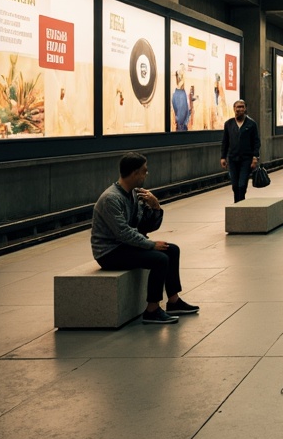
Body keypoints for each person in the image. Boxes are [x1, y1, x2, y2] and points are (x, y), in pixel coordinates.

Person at [91, 152, 199, 325]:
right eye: (144, 171)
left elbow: (145, 226)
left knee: (172, 250)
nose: (146, 174)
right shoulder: (111, 199)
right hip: (110, 252)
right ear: (134, 173)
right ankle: (152, 309)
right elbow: (123, 232)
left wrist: (155, 207)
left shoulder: (134, 194)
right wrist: (150, 245)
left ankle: (173, 301)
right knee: (159, 259)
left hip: (124, 246)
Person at [220, 99, 260, 203]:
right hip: (232, 159)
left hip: (246, 159)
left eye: (242, 107)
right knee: (235, 185)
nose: (240, 109)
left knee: (242, 184)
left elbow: (256, 142)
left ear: (245, 108)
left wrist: (255, 157)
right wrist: (223, 157)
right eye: (238, 107)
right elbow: (225, 142)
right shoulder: (228, 124)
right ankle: (237, 204)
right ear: (234, 109)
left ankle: (241, 204)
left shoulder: (251, 124)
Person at [171, 66, 191, 132]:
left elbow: (186, 110)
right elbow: (181, 111)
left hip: (181, 124)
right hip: (181, 125)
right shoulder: (179, 94)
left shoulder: (178, 94)